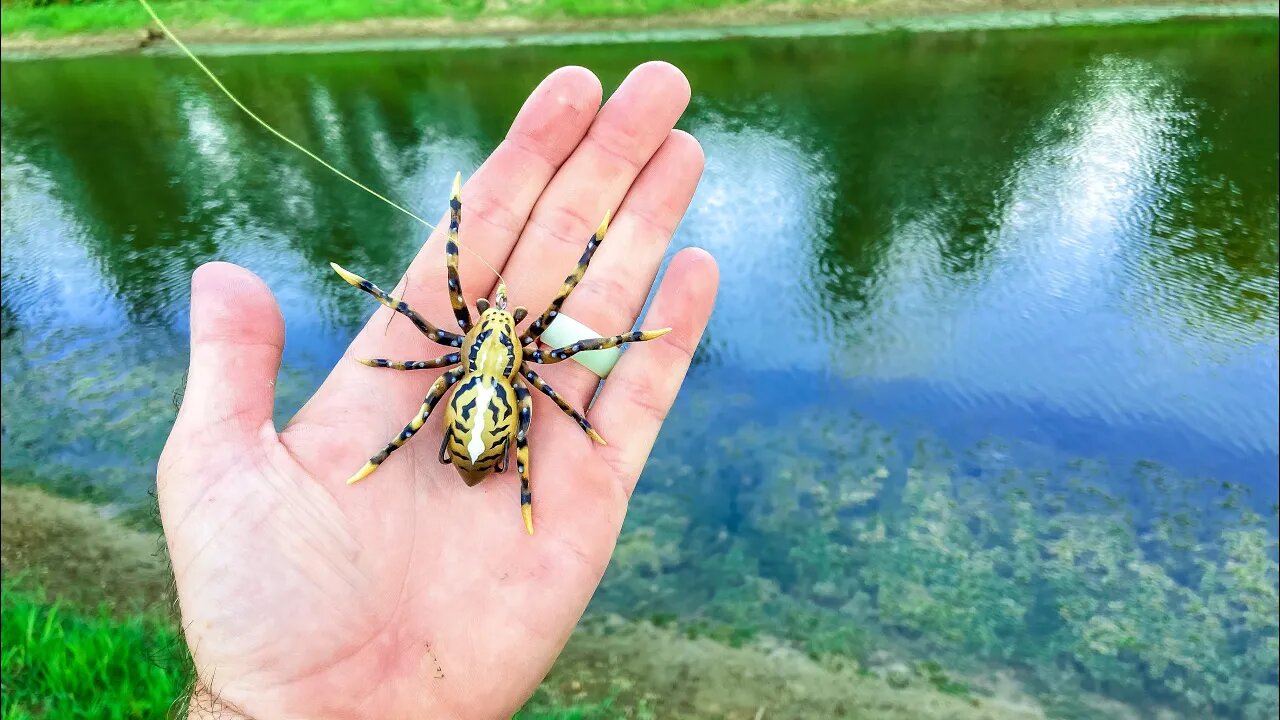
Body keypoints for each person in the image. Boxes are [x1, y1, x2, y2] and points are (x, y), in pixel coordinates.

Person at [158, 62, 718, 719]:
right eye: (496, 321)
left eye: (495, 322)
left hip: (473, 403)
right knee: (534, 403)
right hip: (492, 406)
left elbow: (440, 320)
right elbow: (564, 340)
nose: (496, 319)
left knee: (447, 398)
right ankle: (512, 494)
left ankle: (424, 464)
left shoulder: (460, 351)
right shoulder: (530, 361)